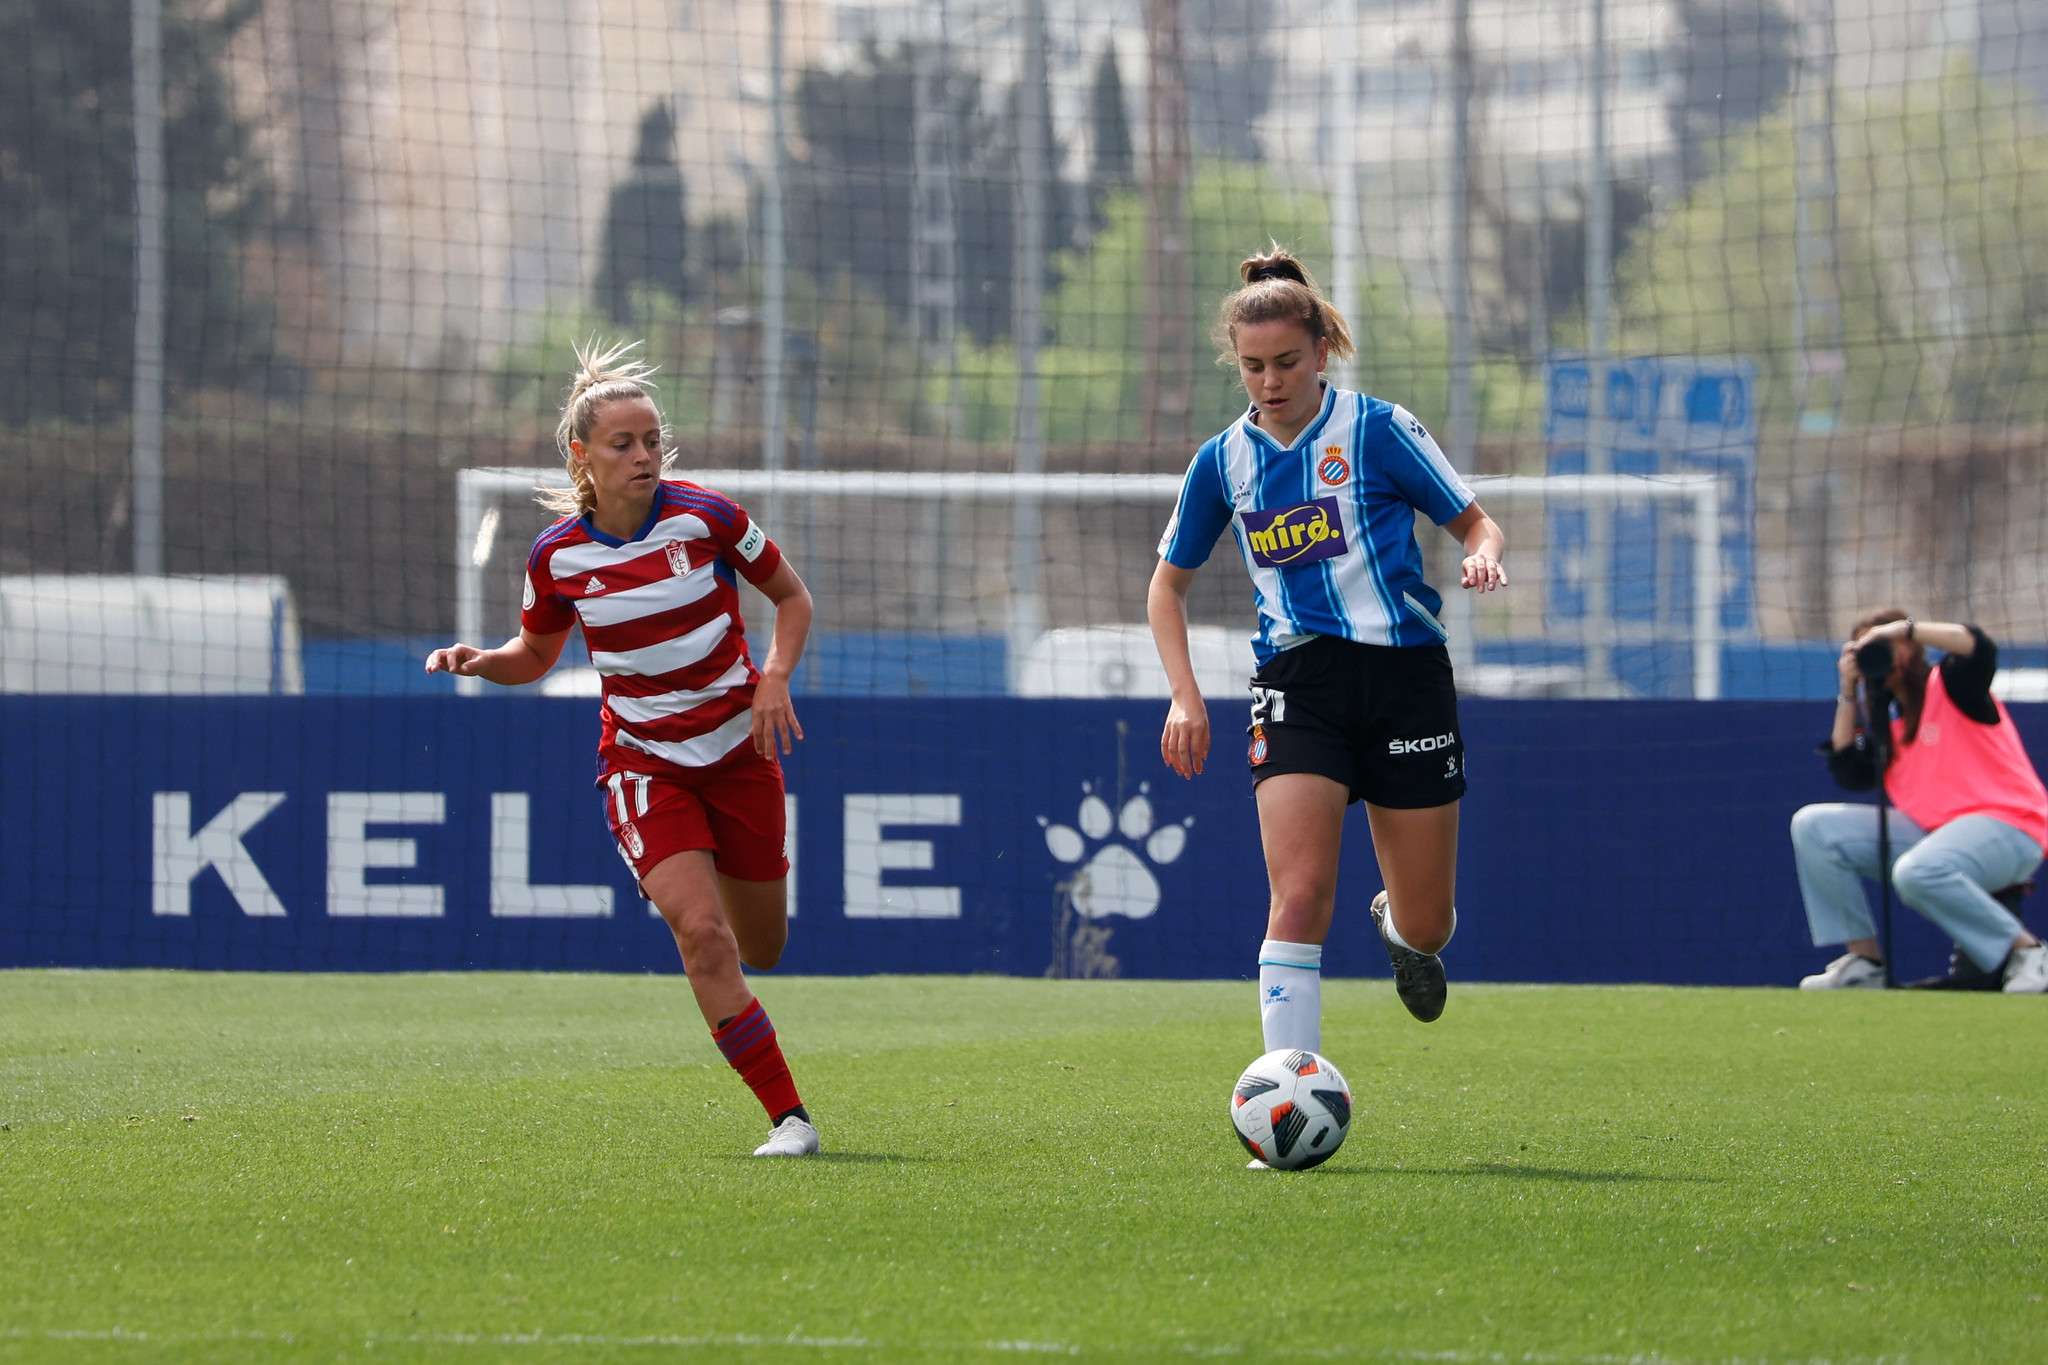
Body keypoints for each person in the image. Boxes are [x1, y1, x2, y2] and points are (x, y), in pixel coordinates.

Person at [425, 339, 824, 1154]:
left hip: (739, 753)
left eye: (651, 441)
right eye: (623, 443)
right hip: (642, 765)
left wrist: (775, 674)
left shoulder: (709, 517)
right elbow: (534, 656)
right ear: (583, 456)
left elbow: (791, 595)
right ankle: (790, 1119)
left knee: (765, 947)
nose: (643, 455)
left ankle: (699, 896)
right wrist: (480, 659)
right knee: (703, 936)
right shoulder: (557, 558)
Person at [1147, 247, 1507, 1085]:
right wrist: (1183, 696)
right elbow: (1166, 588)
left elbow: (1478, 524)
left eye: (1286, 362)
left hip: (1407, 681)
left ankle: (1402, 933)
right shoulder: (1222, 462)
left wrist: (1484, 558)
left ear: (1322, 350)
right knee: (1299, 894)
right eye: (1252, 367)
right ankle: (1284, 1090)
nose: (1269, 382)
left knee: (1430, 923)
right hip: (1296, 684)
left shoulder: (1379, 430)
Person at [1792, 610, 2048, 993]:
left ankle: (2030, 953)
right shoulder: (1885, 718)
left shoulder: (1952, 685)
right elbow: (1849, 772)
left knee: (1917, 870)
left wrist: (1906, 628)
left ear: (1910, 648)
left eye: (1883, 645)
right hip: (1937, 839)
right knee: (1813, 826)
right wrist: (1848, 689)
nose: (1877, 655)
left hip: (2011, 830)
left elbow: (1979, 646)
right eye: (1865, 648)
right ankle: (1865, 963)